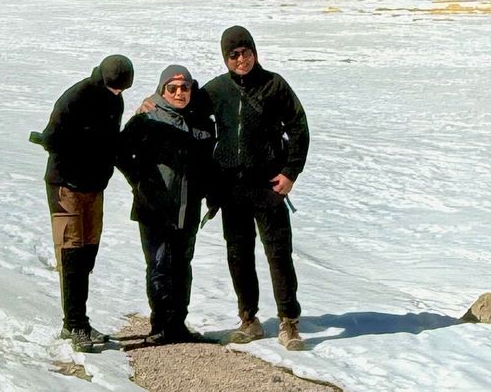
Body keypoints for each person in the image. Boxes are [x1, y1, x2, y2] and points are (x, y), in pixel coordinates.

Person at [201, 23, 309, 350]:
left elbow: (299, 128)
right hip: (231, 188)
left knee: (278, 254)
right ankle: (249, 319)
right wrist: (151, 102)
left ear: (254, 52)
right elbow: (186, 107)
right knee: (239, 254)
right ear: (225, 58)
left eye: (245, 52)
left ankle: (289, 322)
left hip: (269, 187)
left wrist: (290, 173)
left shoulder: (274, 85)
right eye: (233, 55)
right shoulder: (216, 90)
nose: (241, 60)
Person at [31, 53, 133, 351]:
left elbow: (111, 143)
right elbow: (51, 139)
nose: (118, 93)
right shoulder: (76, 97)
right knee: (72, 252)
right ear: (103, 79)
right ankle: (73, 324)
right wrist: (83, 150)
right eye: (115, 87)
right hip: (66, 185)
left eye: (122, 89)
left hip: (93, 186)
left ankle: (80, 320)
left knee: (88, 250)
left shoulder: (115, 101)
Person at [115, 63, 218, 344]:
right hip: (154, 206)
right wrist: (140, 182)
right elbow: (121, 153)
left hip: (189, 207)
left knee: (183, 264)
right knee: (159, 265)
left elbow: (209, 162)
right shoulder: (147, 118)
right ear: (162, 89)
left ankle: (177, 324)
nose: (178, 93)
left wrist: (212, 192)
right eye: (172, 88)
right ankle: (160, 325)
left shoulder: (201, 121)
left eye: (184, 87)